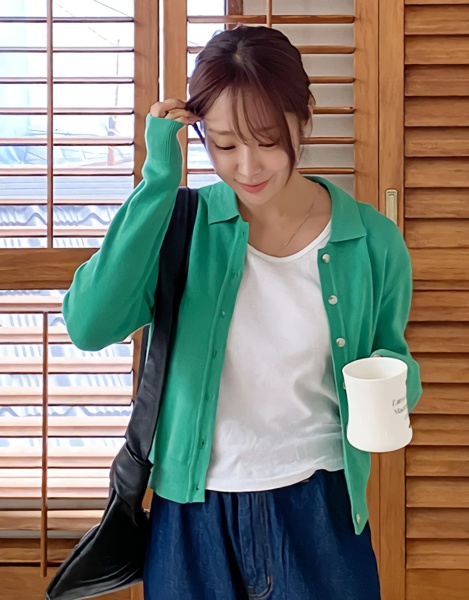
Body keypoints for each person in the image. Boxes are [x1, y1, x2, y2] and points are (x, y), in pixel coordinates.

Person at [63, 25, 422, 600]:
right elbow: (89, 325)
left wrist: (393, 383)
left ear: (304, 119)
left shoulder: (371, 240)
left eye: (267, 140)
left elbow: (394, 357)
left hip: (319, 508)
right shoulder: (179, 225)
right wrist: (158, 181)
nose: (248, 167)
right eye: (224, 145)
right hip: (190, 514)